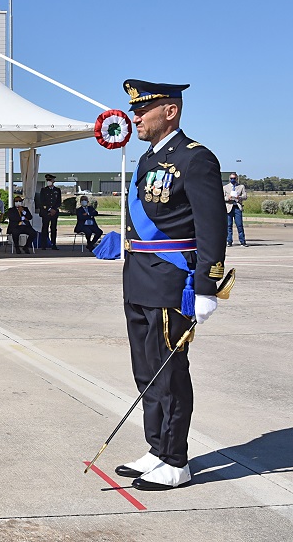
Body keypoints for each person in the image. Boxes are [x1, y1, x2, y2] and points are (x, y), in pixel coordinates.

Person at [114, 79, 226, 491]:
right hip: (139, 277)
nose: (135, 116)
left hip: (171, 279)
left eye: (144, 109)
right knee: (145, 371)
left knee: (170, 371)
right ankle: (156, 448)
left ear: (170, 111)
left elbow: (212, 228)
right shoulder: (146, 160)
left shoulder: (195, 160)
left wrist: (207, 286)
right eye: (134, 110)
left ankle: (176, 461)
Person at [224, 173, 248, 247]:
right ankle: (229, 241)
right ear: (229, 179)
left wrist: (239, 197)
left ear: (236, 179)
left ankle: (242, 241)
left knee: (239, 225)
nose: (232, 180)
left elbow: (245, 196)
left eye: (234, 178)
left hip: (237, 207)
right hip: (229, 207)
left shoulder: (241, 187)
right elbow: (222, 198)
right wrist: (228, 198)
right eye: (231, 178)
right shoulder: (225, 187)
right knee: (229, 226)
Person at [39, 174, 61, 250]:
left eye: (50, 180)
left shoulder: (57, 190)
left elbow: (59, 202)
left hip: (54, 213)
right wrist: (49, 209)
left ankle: (53, 244)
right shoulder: (43, 190)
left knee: (53, 228)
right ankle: (44, 244)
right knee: (45, 228)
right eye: (47, 180)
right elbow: (42, 202)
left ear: (53, 181)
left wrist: (54, 209)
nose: (49, 182)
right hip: (46, 212)